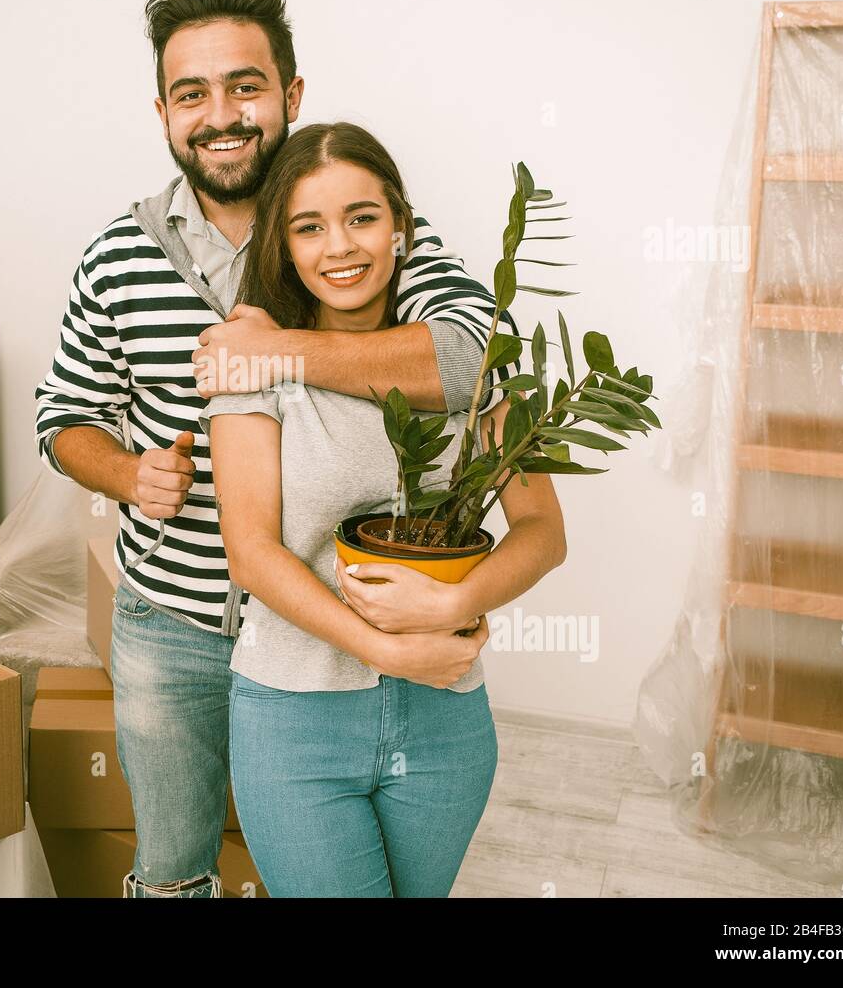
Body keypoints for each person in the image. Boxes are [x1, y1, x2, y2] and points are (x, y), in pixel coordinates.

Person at [34, 0, 524, 898]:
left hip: (334, 628)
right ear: (164, 113)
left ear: (291, 94)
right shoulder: (115, 256)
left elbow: (471, 363)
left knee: (320, 862)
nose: (221, 113)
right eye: (192, 93)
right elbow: (63, 415)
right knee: (175, 867)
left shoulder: (359, 234)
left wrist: (276, 351)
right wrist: (127, 474)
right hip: (173, 621)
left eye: (246, 86)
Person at [199, 121, 567, 897]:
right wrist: (388, 646)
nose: (340, 246)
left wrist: (458, 600)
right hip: (295, 718)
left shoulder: (465, 371)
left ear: (401, 226)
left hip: (446, 715)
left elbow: (543, 532)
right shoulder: (251, 364)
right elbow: (251, 551)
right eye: (310, 226)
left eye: (361, 217)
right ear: (285, 246)